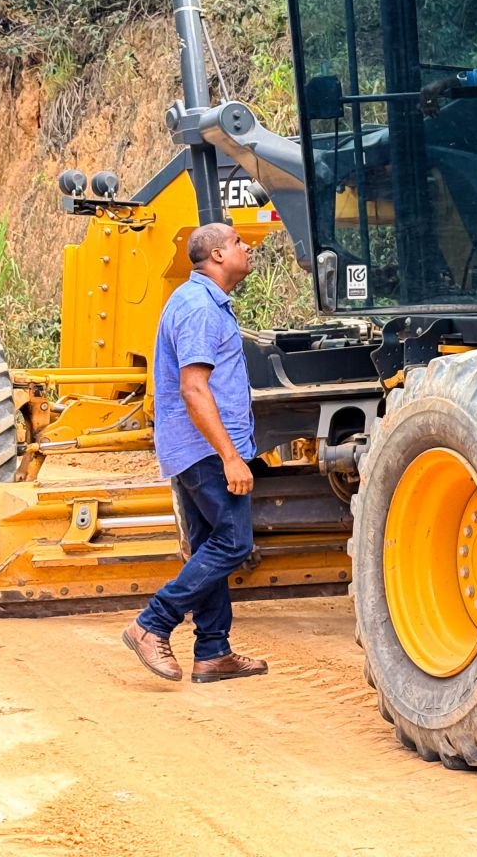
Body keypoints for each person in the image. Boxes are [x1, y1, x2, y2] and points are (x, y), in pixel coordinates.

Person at [122, 222, 268, 684]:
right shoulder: (200, 308)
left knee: (209, 545)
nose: (248, 249)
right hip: (205, 449)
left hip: (192, 447)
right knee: (233, 543)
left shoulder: (199, 302)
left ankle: (213, 651)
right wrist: (230, 455)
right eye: (240, 243)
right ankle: (152, 623)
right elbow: (193, 387)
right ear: (219, 255)